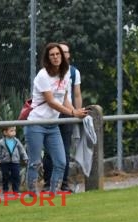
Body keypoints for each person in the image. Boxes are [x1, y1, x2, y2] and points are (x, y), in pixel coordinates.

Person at [24, 43, 87, 193]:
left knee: (61, 161)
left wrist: (77, 112)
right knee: (35, 162)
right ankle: (32, 194)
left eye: (58, 54)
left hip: (53, 125)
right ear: (47, 58)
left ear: (63, 56)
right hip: (36, 123)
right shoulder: (43, 75)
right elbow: (52, 101)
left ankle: (53, 193)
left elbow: (65, 99)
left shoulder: (66, 74)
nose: (56, 57)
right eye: (52, 55)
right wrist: (72, 114)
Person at [42, 41, 83, 192]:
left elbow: (76, 94)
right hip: (50, 115)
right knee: (49, 151)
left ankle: (63, 184)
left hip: (67, 114)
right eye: (58, 52)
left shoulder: (73, 72)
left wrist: (77, 113)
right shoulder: (45, 73)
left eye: (64, 52)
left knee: (64, 150)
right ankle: (48, 184)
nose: (61, 55)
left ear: (68, 55)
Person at [0, 126, 28, 193]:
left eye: (14, 131)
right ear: (5, 132)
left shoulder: (16, 141)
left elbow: (22, 150)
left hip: (15, 162)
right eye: (11, 131)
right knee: (5, 175)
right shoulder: (1, 142)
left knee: (16, 175)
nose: (14, 132)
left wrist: (25, 158)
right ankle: (5, 189)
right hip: (4, 162)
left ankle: (16, 190)